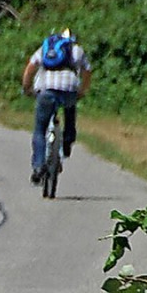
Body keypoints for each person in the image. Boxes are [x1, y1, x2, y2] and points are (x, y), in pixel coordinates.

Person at [21, 28, 92, 184]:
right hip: (68, 89)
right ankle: (67, 142)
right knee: (70, 113)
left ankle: (38, 166)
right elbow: (87, 71)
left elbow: (30, 69)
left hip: (45, 90)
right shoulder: (77, 50)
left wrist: (26, 88)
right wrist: (82, 91)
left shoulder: (45, 49)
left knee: (40, 130)